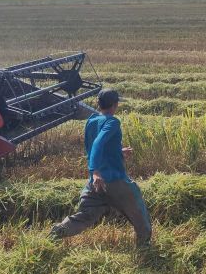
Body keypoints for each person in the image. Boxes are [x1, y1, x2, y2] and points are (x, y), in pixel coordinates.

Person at [50, 89, 152, 247]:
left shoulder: (91, 121)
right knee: (138, 211)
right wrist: (96, 171)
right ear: (115, 104)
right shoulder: (112, 122)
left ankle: (55, 234)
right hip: (113, 181)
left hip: (94, 183)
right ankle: (145, 248)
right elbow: (98, 143)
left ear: (98, 104)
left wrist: (118, 152)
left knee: (85, 215)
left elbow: (93, 146)